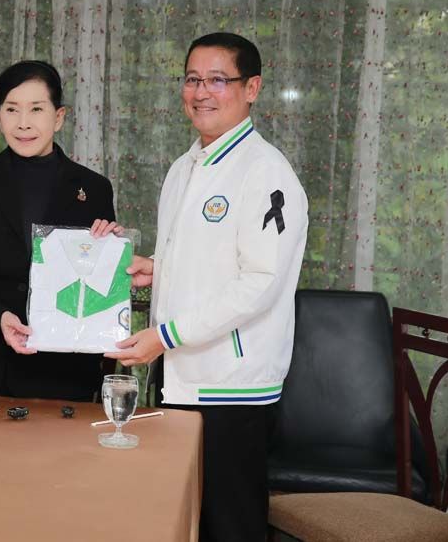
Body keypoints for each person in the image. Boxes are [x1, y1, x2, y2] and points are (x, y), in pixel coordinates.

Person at [110, 33, 308, 541]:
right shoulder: (185, 166)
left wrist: (164, 337)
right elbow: (211, 259)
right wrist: (157, 269)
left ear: (252, 88)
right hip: (179, 376)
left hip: (232, 388)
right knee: (182, 522)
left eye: (218, 80)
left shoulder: (266, 172)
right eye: (193, 79)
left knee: (230, 525)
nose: (201, 92)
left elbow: (259, 283)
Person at [0, 60, 120, 401]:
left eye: (36, 109)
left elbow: (96, 288)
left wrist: (111, 253)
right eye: (12, 109)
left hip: (60, 377)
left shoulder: (93, 189)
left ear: (58, 117)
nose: (23, 123)